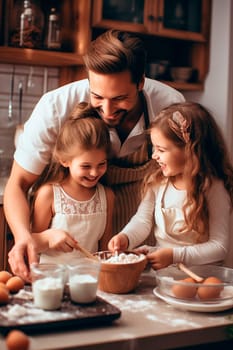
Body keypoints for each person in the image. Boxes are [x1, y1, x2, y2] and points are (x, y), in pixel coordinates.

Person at [4, 29, 185, 280]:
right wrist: (25, 237)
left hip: (141, 231)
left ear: (141, 82)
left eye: (120, 98)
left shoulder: (170, 105)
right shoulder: (55, 107)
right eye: (97, 96)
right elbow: (18, 184)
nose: (108, 110)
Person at [108, 102, 233, 269]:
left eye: (161, 149)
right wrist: (126, 237)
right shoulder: (157, 181)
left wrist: (174, 256)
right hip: (166, 274)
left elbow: (219, 247)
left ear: (190, 150)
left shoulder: (213, 188)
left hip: (204, 276)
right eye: (154, 148)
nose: (154, 156)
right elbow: (142, 220)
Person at [29, 102, 114, 265]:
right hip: (52, 281)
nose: (95, 172)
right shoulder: (49, 194)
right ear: (64, 160)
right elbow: (32, 243)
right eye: (86, 166)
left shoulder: (107, 196)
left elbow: (105, 251)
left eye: (101, 164)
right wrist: (48, 238)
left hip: (89, 282)